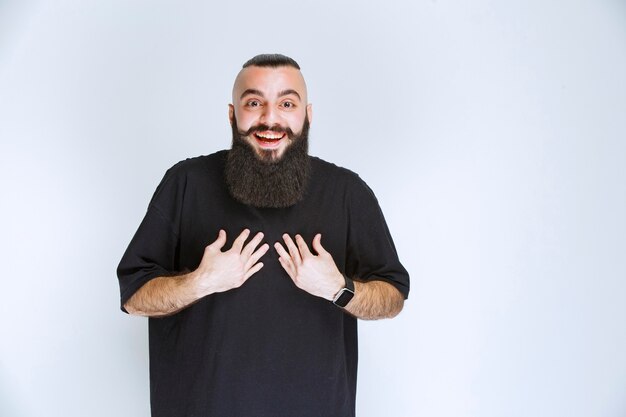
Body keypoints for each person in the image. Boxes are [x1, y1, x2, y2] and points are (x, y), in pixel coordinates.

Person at [117, 53, 410, 417]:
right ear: (231, 114)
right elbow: (134, 297)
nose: (270, 118)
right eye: (254, 103)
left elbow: (393, 297)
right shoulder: (185, 183)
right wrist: (200, 282)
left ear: (308, 115)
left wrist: (338, 288)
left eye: (287, 103)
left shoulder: (348, 193)